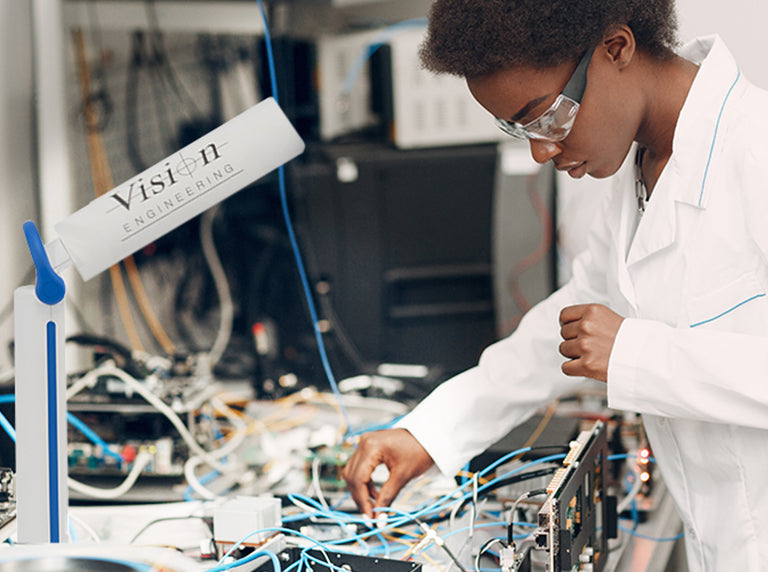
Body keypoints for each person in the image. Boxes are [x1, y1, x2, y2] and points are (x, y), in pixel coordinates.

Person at [341, 1, 768, 570]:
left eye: (545, 115)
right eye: (519, 129)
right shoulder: (641, 168)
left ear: (616, 49)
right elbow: (569, 323)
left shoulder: (755, 152)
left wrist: (638, 355)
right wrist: (433, 431)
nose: (541, 150)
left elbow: (618, 343)